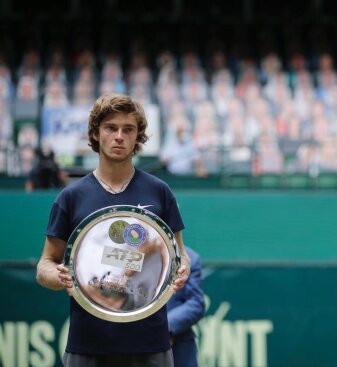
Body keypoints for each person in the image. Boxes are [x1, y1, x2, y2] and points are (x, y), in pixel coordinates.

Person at [36, 93, 191, 367]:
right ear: (96, 134)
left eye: (128, 129)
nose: (119, 136)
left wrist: (181, 269)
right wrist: (57, 276)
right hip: (88, 344)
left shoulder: (160, 192)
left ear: (137, 137)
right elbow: (45, 266)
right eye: (111, 128)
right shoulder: (70, 197)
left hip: (151, 343)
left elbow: (179, 254)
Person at [167, 246, 205, 367]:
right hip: (133, 345)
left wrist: (166, 327)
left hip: (178, 349)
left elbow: (196, 303)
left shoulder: (190, 258)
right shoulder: (130, 253)